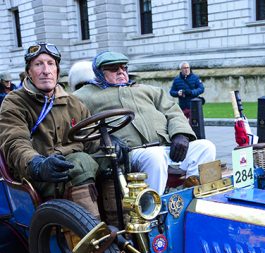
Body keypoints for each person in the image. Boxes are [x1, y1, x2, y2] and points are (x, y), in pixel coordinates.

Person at [74, 51, 216, 195]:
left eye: (124, 68)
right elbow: (81, 127)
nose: (121, 72)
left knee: (206, 147)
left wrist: (180, 134)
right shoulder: (83, 96)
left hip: (166, 146)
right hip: (130, 153)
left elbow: (173, 111)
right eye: (113, 69)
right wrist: (104, 141)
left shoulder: (148, 90)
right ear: (99, 72)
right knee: (154, 157)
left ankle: (190, 195)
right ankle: (151, 210)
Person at [0, 42, 100, 218]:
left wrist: (111, 145)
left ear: (57, 71)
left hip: (67, 165)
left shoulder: (73, 102)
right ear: (29, 72)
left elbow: (92, 139)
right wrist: (37, 165)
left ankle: (125, 229)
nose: (46, 70)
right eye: (38, 64)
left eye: (50, 64)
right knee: (81, 162)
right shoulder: (14, 102)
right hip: (35, 173)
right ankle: (88, 240)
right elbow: (15, 142)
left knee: (112, 162)